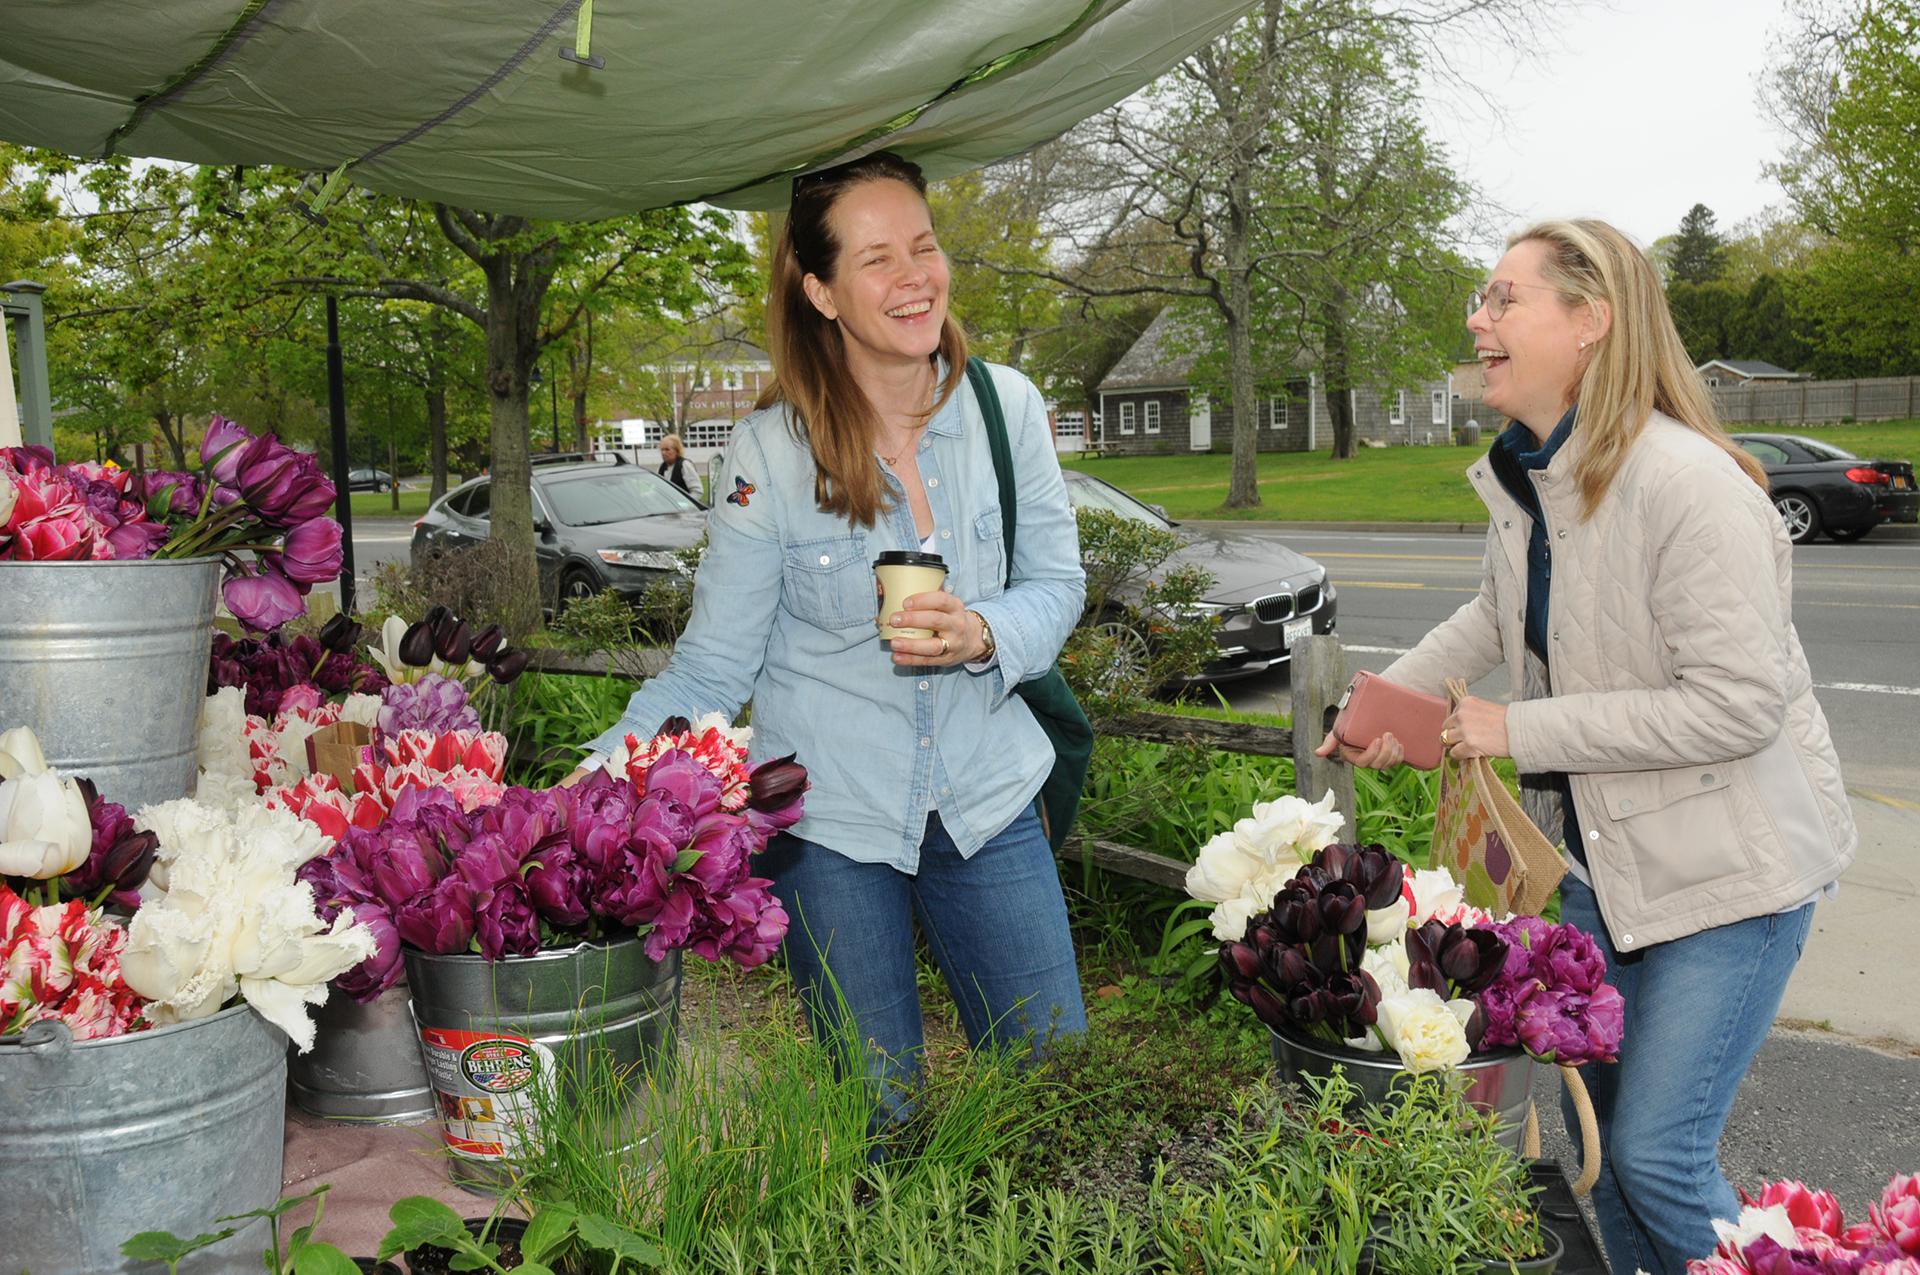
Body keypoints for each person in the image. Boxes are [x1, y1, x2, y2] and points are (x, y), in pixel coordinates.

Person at [1317, 219, 1856, 1275]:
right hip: (1599, 876)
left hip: (1732, 882)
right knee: (1600, 1150)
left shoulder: (1692, 487)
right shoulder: (1532, 480)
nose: (1478, 319)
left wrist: (1516, 730)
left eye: (1504, 298)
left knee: (1657, 1153)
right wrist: (1390, 705)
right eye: (1483, 297)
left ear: (1591, 321)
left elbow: (1737, 705)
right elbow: (1490, 618)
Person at [563, 151, 1088, 1118]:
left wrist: (980, 630)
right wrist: (585, 788)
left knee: (1051, 1088)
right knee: (876, 1111)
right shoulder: (772, 448)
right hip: (829, 825)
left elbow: (1057, 585)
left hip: (988, 797)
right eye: (879, 259)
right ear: (823, 290)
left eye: (925, 248)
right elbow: (716, 663)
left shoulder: (1005, 408)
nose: (916, 277)